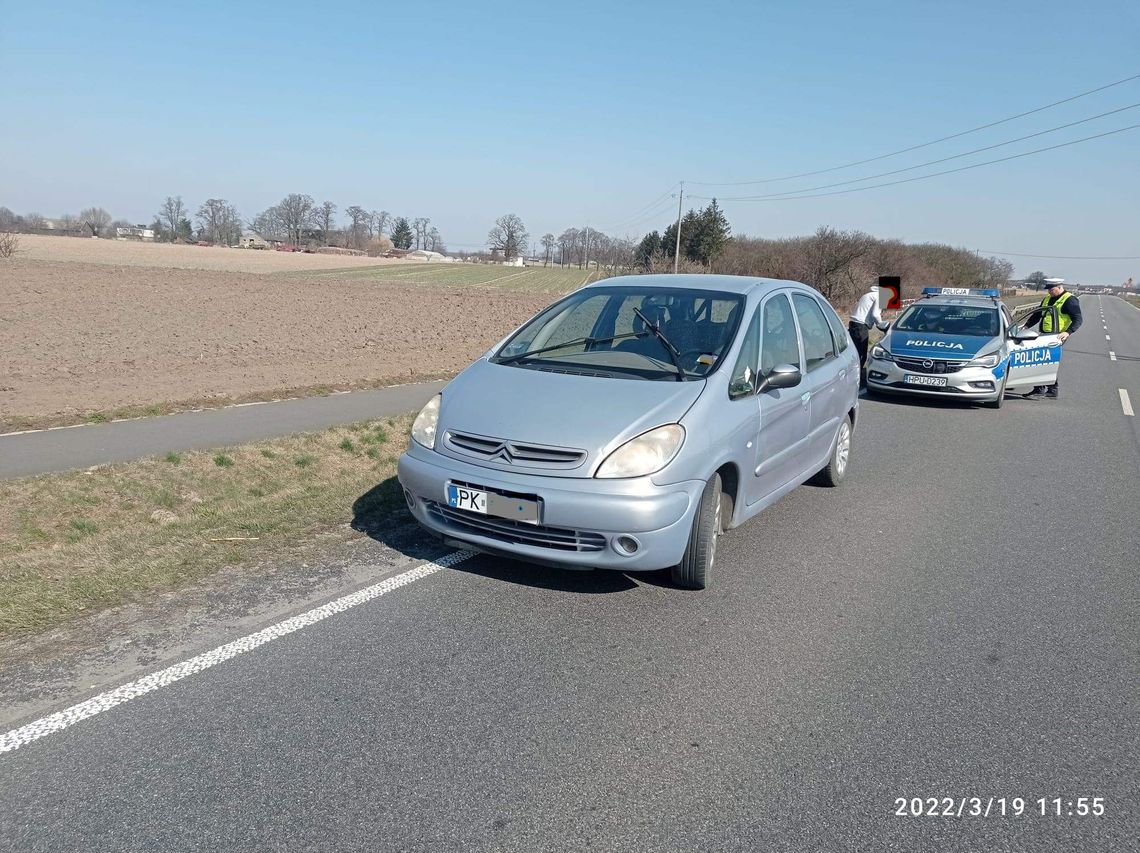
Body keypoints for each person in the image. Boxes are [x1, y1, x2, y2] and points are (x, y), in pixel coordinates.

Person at [1020, 281, 1082, 399]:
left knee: (1042, 360)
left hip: (1057, 336)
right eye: (1048, 290)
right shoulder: (1048, 298)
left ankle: (1041, 389)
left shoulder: (1069, 300)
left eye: (1051, 289)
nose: (1049, 292)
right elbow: (1038, 314)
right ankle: (1051, 389)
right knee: (1047, 361)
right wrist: (1027, 325)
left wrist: (1068, 332)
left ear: (1059, 287)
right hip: (1045, 334)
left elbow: (1078, 319)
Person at [848, 283, 890, 386]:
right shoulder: (880, 297)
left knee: (856, 352)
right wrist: (882, 326)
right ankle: (856, 377)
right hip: (860, 327)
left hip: (854, 324)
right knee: (861, 354)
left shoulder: (870, 294)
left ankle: (853, 375)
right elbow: (875, 314)